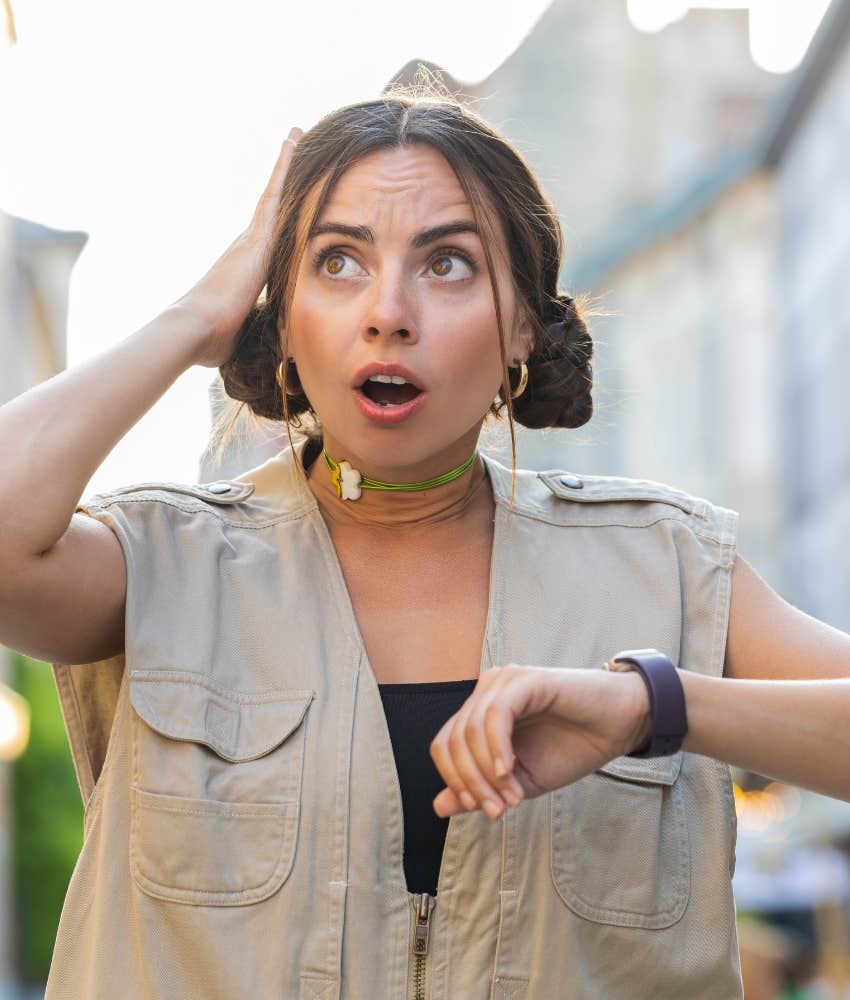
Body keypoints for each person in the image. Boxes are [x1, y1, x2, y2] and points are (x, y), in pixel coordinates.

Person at [2, 88, 850, 1000]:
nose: (388, 311)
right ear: (278, 317)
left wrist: (655, 706)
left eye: (447, 263)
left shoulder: (668, 560)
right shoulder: (162, 559)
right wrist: (196, 317)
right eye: (337, 262)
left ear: (522, 323)